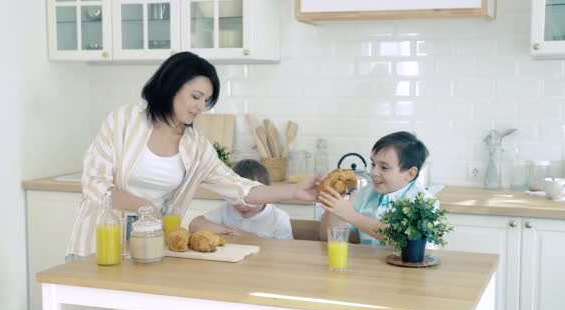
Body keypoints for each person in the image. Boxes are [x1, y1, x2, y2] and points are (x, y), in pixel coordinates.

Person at [67, 52, 318, 258]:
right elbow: (93, 184)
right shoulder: (122, 122)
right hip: (98, 244)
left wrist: (293, 192)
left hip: (153, 246)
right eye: (196, 96)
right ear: (171, 86)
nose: (201, 106)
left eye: (207, 100)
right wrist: (143, 207)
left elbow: (239, 188)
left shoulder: (196, 146)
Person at [319, 131, 430, 244]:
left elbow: (406, 241)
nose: (373, 172)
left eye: (384, 167)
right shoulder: (364, 194)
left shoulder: (423, 201)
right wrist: (333, 207)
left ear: (410, 174)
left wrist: (352, 216)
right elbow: (327, 238)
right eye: (373, 164)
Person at [189, 159, 293, 240]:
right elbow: (194, 225)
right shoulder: (226, 209)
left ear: (266, 194)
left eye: (250, 197)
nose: (242, 204)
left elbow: (285, 252)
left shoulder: (279, 219)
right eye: (236, 197)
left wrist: (250, 238)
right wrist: (227, 230)